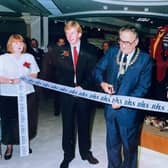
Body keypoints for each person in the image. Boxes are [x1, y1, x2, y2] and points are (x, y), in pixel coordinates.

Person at [93, 25, 152, 168]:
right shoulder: (112, 51)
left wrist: (123, 101)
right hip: (110, 110)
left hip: (129, 113)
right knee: (112, 145)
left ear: (136, 42)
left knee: (129, 148)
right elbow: (98, 69)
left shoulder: (145, 60)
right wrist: (102, 83)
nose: (124, 46)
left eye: (128, 42)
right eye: (121, 41)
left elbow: (143, 87)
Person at [57, 20, 99, 168]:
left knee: (84, 124)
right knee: (67, 125)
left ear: (79, 34)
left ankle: (85, 152)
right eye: (67, 33)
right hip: (67, 94)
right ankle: (67, 155)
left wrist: (83, 87)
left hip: (85, 93)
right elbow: (59, 74)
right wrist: (69, 88)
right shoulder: (61, 51)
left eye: (73, 33)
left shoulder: (91, 50)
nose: (70, 36)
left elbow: (94, 73)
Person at [0, 34, 40, 160]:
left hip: (27, 93)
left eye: (21, 43)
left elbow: (34, 73)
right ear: (10, 45)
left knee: (26, 119)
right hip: (8, 95)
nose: (19, 45)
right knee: (9, 121)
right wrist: (11, 81)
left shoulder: (28, 58)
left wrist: (27, 80)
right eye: (15, 43)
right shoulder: (3, 59)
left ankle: (24, 143)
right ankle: (9, 146)